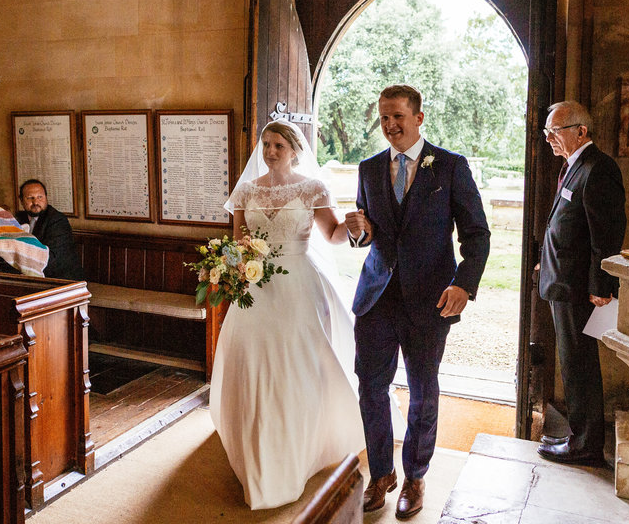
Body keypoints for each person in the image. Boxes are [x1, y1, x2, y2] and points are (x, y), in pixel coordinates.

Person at [345, 84, 490, 519]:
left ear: (418, 118)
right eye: (384, 118)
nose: (390, 125)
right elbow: (367, 233)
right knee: (371, 387)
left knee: (424, 392)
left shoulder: (449, 167)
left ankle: (415, 476)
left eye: (398, 117)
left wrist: (464, 284)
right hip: (376, 299)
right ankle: (382, 473)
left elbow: (477, 234)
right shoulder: (369, 168)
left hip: (430, 301)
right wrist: (358, 230)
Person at [209, 120, 367, 510]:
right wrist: (227, 269)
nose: (271, 151)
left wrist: (350, 226)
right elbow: (238, 240)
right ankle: (257, 454)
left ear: (295, 149)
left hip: (297, 285)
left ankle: (299, 447)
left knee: (295, 365)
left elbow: (330, 234)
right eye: (266, 144)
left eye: (279, 144)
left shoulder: (312, 188)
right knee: (255, 363)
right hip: (255, 285)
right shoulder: (247, 190)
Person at [536, 100, 626, 466]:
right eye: (546, 132)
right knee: (572, 362)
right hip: (563, 282)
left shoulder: (598, 169)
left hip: (579, 289)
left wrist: (601, 285)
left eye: (554, 131)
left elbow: (605, 233)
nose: (549, 139)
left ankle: (586, 444)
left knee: (578, 364)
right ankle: (581, 436)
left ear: (580, 131)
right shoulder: (574, 167)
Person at [14, 179, 85, 280]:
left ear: (46, 198)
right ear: (21, 200)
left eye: (40, 197)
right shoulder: (18, 218)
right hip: (33, 275)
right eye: (30, 198)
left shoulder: (57, 220)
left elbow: (51, 259)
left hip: (61, 279)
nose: (35, 202)